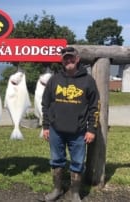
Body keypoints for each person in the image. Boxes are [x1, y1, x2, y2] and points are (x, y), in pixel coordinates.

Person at [41, 47, 100, 202]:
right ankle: (57, 189)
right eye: (66, 58)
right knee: (56, 161)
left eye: (71, 58)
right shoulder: (54, 79)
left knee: (78, 162)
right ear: (62, 60)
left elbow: (95, 106)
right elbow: (45, 104)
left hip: (79, 132)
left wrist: (92, 129)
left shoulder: (88, 81)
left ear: (77, 59)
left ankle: (74, 193)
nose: (69, 61)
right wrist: (46, 126)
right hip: (55, 131)